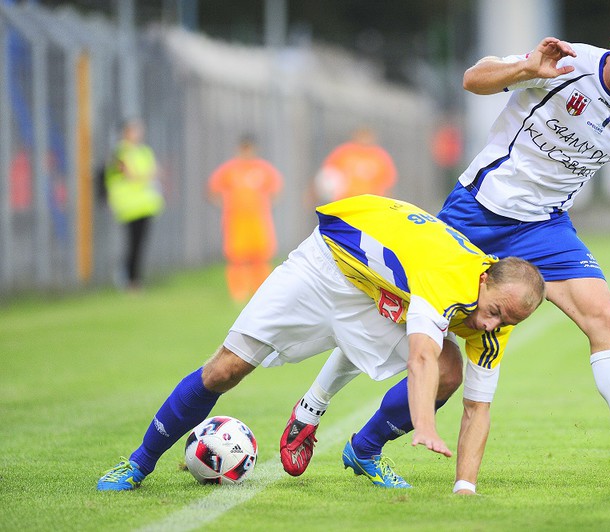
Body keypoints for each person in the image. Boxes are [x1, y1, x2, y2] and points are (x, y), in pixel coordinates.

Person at [279, 7, 610, 492]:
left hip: (545, 227)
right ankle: (311, 409)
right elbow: (474, 79)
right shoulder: (564, 63)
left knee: (605, 317)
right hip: (477, 213)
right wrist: (524, 70)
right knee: (392, 319)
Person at [96, 194, 546, 491]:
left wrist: (464, 489)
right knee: (226, 369)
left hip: (379, 289)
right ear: (484, 279)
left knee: (453, 372)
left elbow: (477, 406)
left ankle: (363, 449)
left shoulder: (493, 318)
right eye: (495, 311)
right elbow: (420, 356)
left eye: (509, 321)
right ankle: (138, 463)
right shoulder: (450, 282)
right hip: (325, 263)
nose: (493, 325)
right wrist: (425, 426)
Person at [208, 135, 284, 302]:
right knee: (236, 257)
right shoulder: (229, 169)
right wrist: (227, 206)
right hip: (236, 220)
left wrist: (265, 206)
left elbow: (276, 190)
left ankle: (261, 291)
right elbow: (212, 190)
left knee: (261, 256)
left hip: (258, 220)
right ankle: (239, 293)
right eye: (244, 149)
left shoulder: (263, 169)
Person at [104, 119, 164, 291]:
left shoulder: (144, 151)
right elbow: (131, 175)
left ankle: (134, 279)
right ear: (126, 132)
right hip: (129, 206)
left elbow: (156, 171)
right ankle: (129, 280)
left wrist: (145, 176)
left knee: (139, 245)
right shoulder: (120, 153)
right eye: (134, 130)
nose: (138, 133)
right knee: (132, 245)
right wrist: (146, 176)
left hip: (145, 205)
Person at [313, 127, 397, 204]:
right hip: (344, 202)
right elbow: (327, 174)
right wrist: (314, 193)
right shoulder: (343, 152)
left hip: (370, 204)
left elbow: (387, 183)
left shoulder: (380, 156)